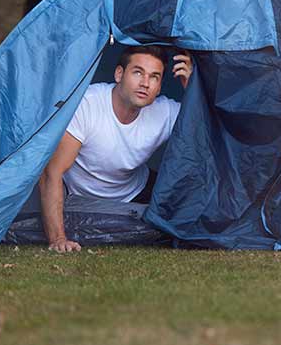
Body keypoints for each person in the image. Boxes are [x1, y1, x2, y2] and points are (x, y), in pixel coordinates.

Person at [39, 46, 193, 252]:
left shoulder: (164, 111)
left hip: (136, 189)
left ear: (159, 87)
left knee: (192, 199)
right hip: (83, 196)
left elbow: (206, 135)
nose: (145, 83)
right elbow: (52, 172)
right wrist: (58, 239)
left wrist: (191, 90)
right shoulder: (88, 104)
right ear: (119, 74)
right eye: (137, 72)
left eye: (154, 77)